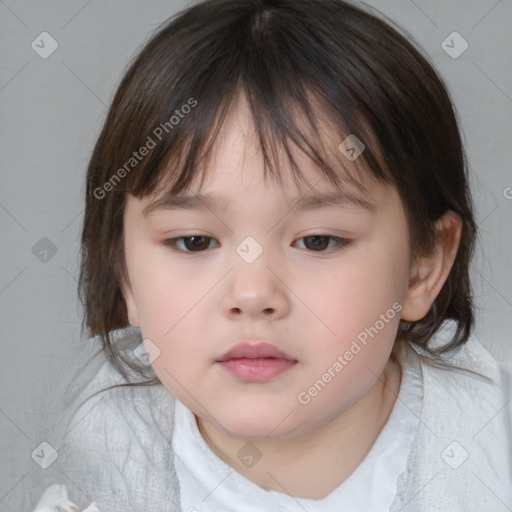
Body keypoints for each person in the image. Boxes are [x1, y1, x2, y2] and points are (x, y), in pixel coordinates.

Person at [31, 0, 512, 510]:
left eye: (318, 241)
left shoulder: (487, 457)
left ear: (424, 265)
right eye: (194, 241)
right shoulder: (96, 475)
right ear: (124, 273)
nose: (252, 294)